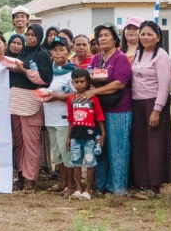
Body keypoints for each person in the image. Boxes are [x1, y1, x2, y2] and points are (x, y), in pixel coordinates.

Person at [79, 25, 132, 197]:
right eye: (100, 35)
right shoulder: (96, 59)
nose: (102, 38)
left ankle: (118, 188)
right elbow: (88, 78)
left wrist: (94, 91)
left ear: (115, 39)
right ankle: (101, 186)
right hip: (98, 110)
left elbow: (119, 83)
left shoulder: (121, 58)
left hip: (119, 110)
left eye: (106, 35)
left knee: (118, 149)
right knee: (99, 149)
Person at [127, 20, 171, 197]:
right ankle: (142, 183)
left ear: (158, 37)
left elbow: (165, 85)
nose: (145, 37)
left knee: (155, 145)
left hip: (153, 104)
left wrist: (157, 109)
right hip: (137, 103)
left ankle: (155, 186)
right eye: (143, 34)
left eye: (150, 34)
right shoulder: (138, 54)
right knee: (140, 144)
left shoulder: (161, 56)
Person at [7, 24, 51, 192]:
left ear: (39, 37)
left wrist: (24, 71)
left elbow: (45, 79)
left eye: (33, 35)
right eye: (28, 34)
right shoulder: (22, 53)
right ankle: (20, 177)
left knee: (31, 143)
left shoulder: (42, 55)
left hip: (31, 102)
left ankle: (30, 180)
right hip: (15, 102)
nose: (30, 37)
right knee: (18, 143)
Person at [39, 37, 76, 194]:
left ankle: (72, 185)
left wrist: (57, 97)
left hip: (64, 117)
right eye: (55, 50)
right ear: (50, 53)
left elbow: (77, 94)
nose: (58, 53)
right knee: (57, 153)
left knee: (66, 151)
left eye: (62, 49)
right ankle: (63, 182)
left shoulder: (73, 71)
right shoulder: (48, 70)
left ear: (68, 51)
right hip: (50, 117)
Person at [65, 67, 102, 200]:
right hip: (75, 136)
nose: (79, 84)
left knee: (90, 162)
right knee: (75, 162)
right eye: (76, 82)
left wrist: (102, 134)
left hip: (90, 137)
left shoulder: (93, 99)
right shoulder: (71, 100)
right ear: (72, 83)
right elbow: (70, 120)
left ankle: (88, 189)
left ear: (87, 82)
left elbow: (99, 117)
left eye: (82, 81)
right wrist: (68, 137)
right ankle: (78, 189)